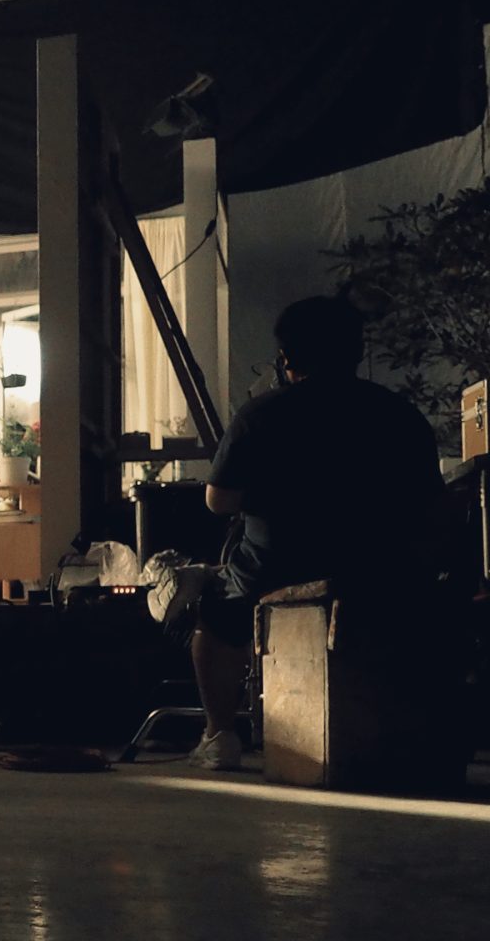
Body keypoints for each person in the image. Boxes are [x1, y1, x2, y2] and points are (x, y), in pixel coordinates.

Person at [187, 296, 443, 770]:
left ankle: (220, 735)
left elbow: (219, 501)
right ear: (356, 351)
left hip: (276, 569)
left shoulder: (260, 414)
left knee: (216, 616)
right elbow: (429, 504)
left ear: (287, 359)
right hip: (381, 570)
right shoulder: (398, 415)